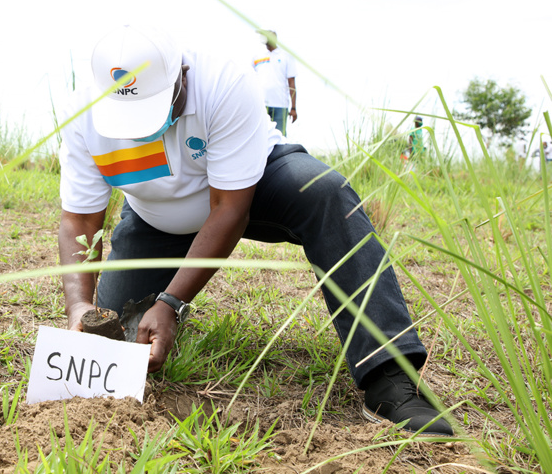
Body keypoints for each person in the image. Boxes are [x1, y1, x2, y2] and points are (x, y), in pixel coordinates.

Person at [58, 25, 453, 436]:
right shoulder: (84, 113)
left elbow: (229, 209)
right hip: (156, 220)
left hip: (250, 187)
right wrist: (77, 305)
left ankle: (388, 374)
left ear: (181, 76)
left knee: (324, 194)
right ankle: (154, 313)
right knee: (113, 336)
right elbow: (80, 220)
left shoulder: (224, 82)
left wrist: (172, 302)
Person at [252, 29, 297, 136]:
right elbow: (250, 79)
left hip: (280, 105)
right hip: (261, 104)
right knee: (261, 136)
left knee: (280, 137)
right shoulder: (257, 56)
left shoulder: (286, 56)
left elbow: (291, 82)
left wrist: (293, 107)